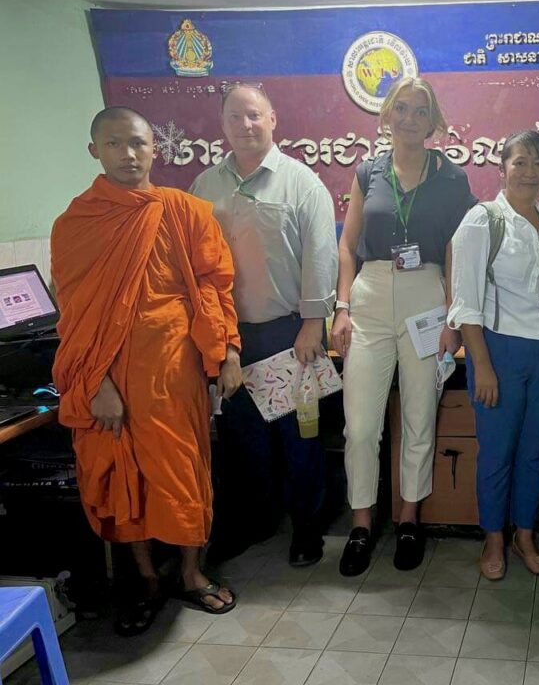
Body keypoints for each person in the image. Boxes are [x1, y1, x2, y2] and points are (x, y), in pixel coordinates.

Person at [52, 107, 241, 635]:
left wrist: (227, 351)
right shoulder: (76, 225)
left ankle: (189, 571)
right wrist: (98, 385)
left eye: (137, 143)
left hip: (175, 375)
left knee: (183, 472)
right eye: (114, 144)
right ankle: (144, 578)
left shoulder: (186, 211)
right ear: (95, 151)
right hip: (113, 384)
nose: (128, 155)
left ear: (155, 147)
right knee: (125, 478)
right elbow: (77, 316)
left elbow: (214, 285)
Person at [330, 77, 475, 576]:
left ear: (434, 122)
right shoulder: (367, 171)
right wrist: (341, 307)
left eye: (421, 111)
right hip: (369, 298)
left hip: (426, 299)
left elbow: (459, 249)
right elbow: (347, 245)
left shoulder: (452, 179)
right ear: (386, 115)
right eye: (403, 109)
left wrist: (454, 316)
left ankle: (409, 517)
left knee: (419, 417)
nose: (410, 119)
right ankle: (363, 523)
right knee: (360, 427)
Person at [190, 84, 339, 568]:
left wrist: (313, 324)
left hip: (289, 333)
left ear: (272, 119)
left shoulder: (301, 182)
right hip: (229, 339)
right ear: (223, 125)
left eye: (254, 116)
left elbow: (321, 254)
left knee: (300, 438)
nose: (245, 125)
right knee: (242, 441)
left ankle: (307, 529)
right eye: (235, 118)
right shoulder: (204, 187)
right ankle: (254, 524)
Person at [448, 130, 539, 580]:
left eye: (538, 163)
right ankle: (493, 539)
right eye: (520, 162)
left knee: (533, 454)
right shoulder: (481, 221)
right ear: (502, 168)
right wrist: (482, 366)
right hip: (499, 350)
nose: (529, 172)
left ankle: (524, 534)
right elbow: (466, 302)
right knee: (497, 452)